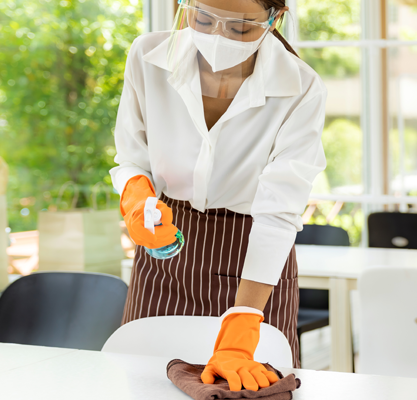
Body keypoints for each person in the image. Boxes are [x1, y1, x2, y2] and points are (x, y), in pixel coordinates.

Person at [110, 0, 326, 391]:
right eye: (203, 19)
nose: (216, 37)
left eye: (240, 28)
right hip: (167, 254)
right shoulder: (147, 57)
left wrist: (244, 320)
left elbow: (279, 212)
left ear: (275, 19)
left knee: (250, 391)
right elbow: (131, 158)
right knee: (143, 385)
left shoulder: (301, 86)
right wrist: (135, 195)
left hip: (254, 255)